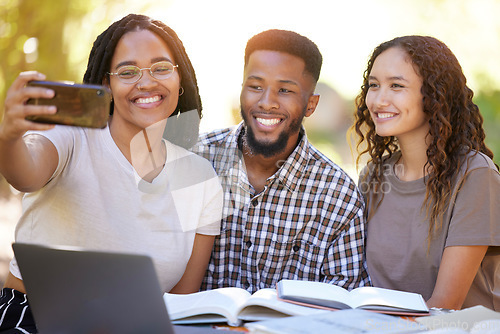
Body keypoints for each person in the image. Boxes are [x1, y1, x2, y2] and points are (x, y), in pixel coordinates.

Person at [0, 13, 223, 332]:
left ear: (179, 78)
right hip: (35, 319)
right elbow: (25, 172)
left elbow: (180, 305)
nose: (147, 82)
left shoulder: (200, 178)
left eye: (161, 68)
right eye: (128, 71)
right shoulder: (71, 137)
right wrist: (8, 136)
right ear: (107, 84)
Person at [191, 29, 370, 293]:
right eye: (255, 87)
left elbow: (343, 303)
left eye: (284, 90)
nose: (267, 102)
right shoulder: (195, 159)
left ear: (311, 104)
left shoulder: (338, 196)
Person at [352, 35, 500, 310]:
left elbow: (445, 305)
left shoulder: (475, 175)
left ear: (435, 94)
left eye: (396, 85)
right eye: (374, 85)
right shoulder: (373, 176)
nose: (379, 99)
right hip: (383, 326)